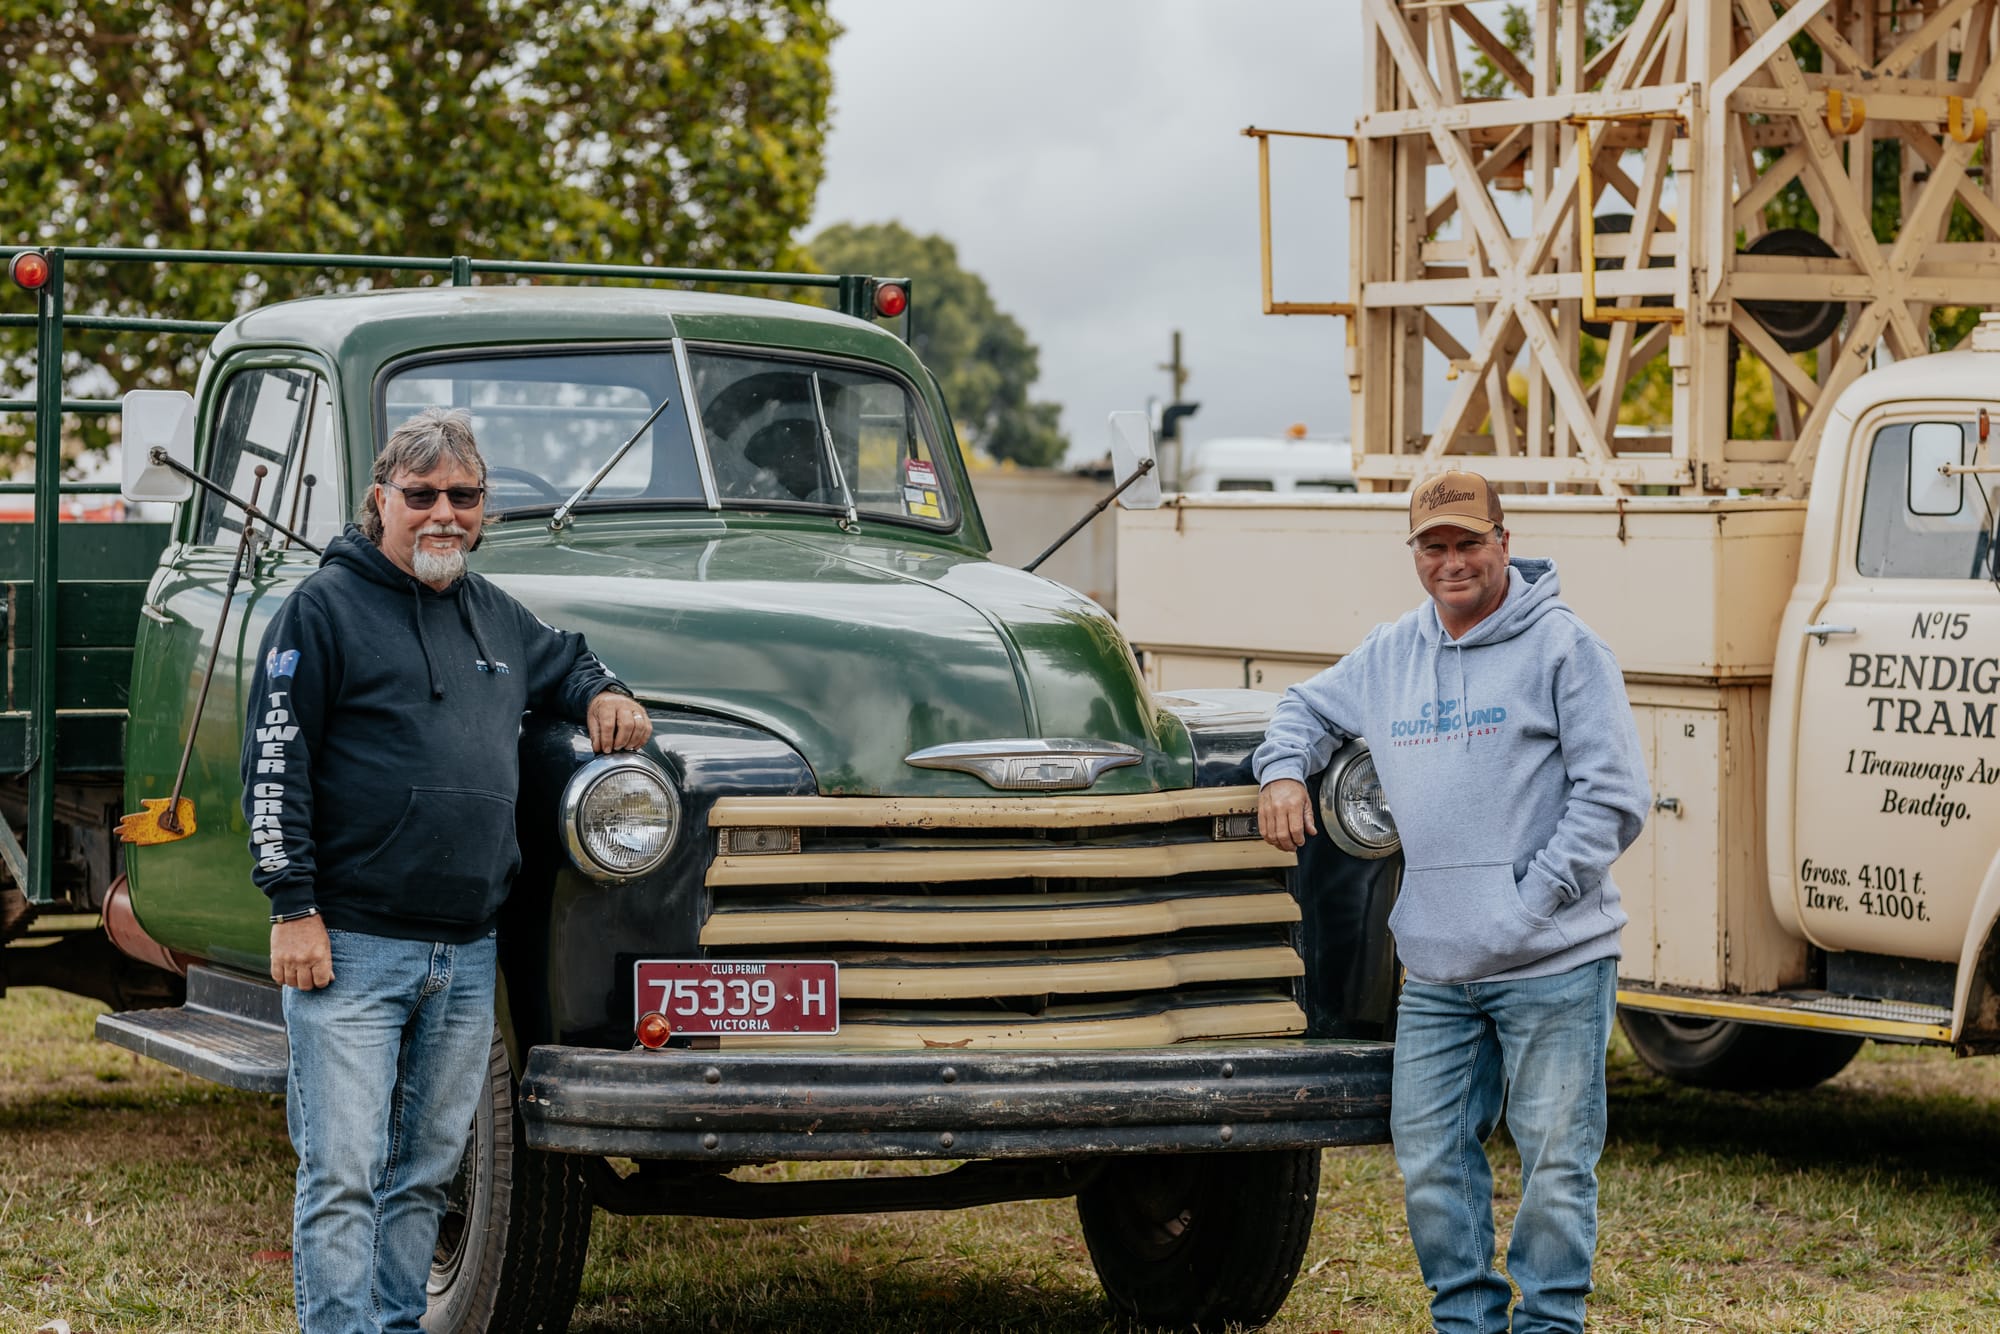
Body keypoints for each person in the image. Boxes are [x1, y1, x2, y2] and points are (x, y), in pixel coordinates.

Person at [242, 407, 653, 1334]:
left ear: (485, 509)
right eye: (420, 496)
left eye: (462, 498)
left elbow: (571, 663)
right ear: (378, 500)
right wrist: (292, 906)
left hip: (466, 958)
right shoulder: (321, 610)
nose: (442, 514)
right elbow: (274, 765)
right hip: (349, 945)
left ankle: (393, 1326)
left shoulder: (496, 615)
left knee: (424, 1173)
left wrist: (606, 694)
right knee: (344, 1174)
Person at [1253, 469, 1649, 1334]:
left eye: (1470, 542)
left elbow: (1615, 796)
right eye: (1434, 546)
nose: (1453, 561)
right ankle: (1466, 1324)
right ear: (1416, 555)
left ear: (1505, 542)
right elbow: (1302, 707)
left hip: (1552, 959)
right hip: (1435, 970)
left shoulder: (1566, 649)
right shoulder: (1392, 652)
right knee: (1431, 1161)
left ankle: (1549, 1325)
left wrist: (1531, 902)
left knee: (1554, 1166)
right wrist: (1283, 771)